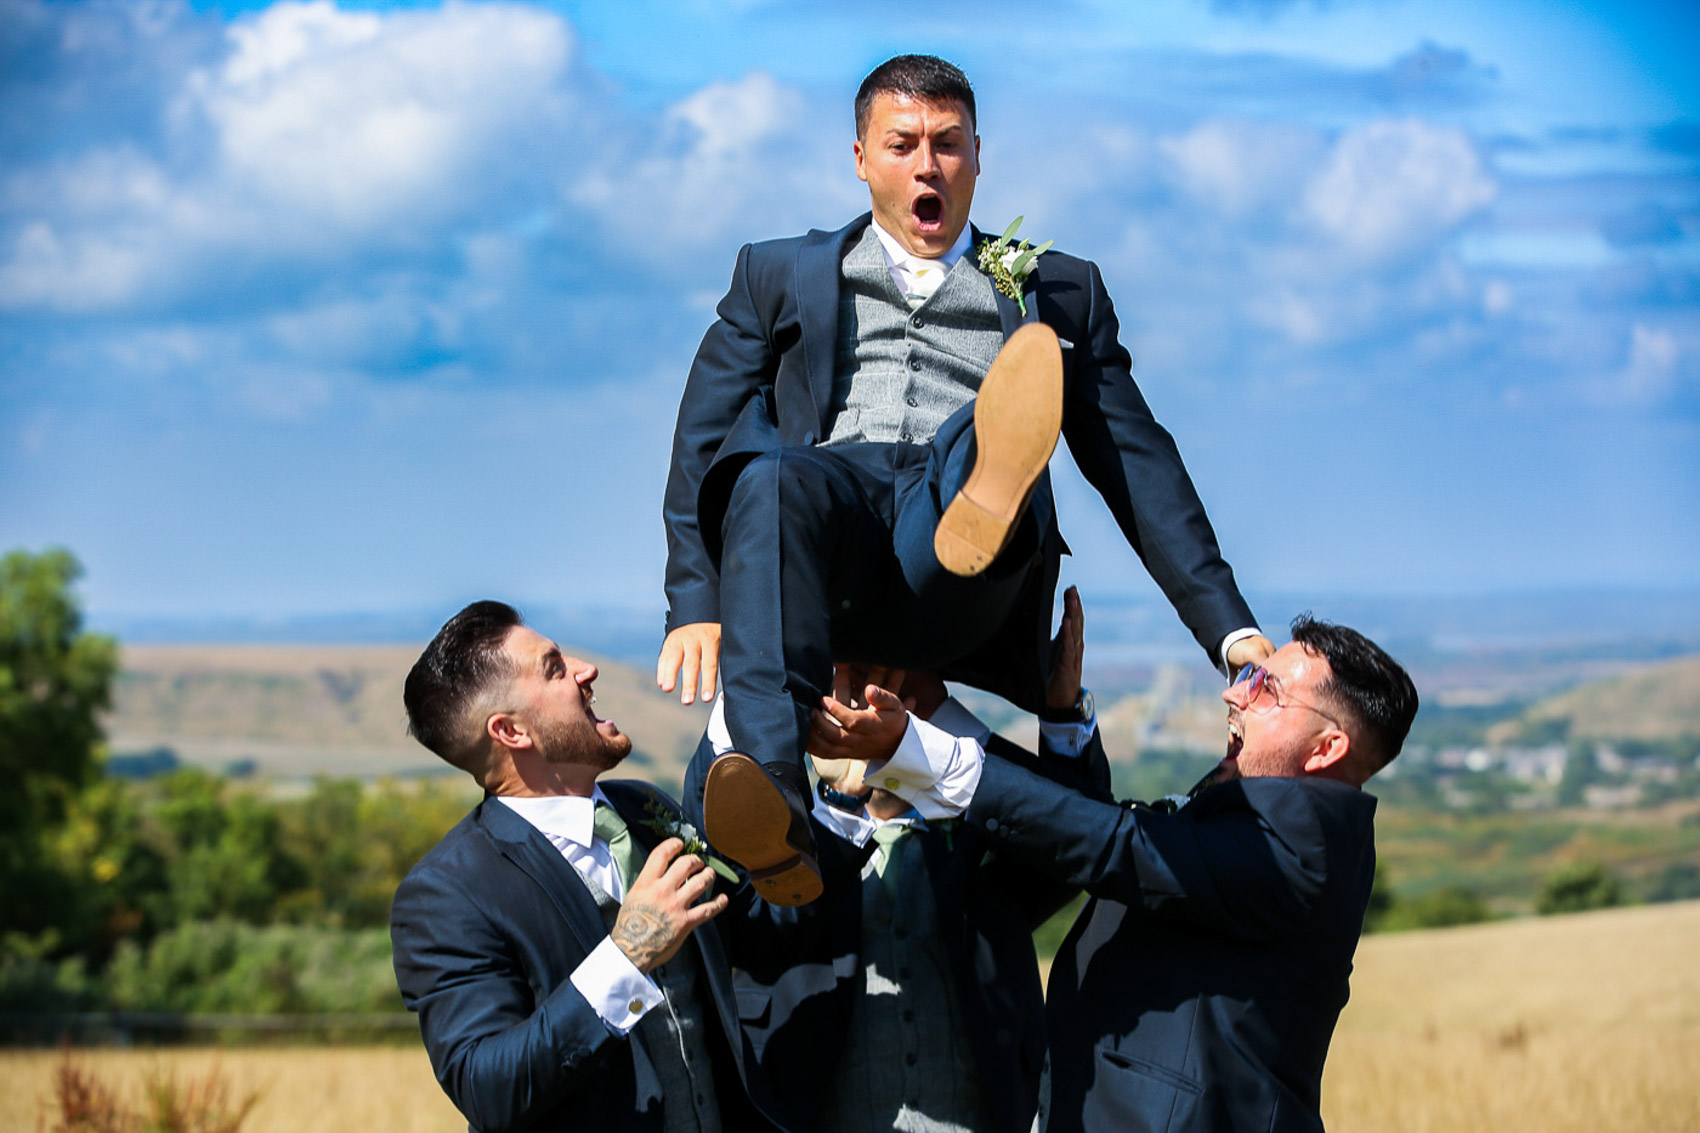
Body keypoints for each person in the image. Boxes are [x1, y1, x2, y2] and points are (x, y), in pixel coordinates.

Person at [656, 53, 1269, 902]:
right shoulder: (776, 274)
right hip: (835, 539)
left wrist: (1231, 632)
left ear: (979, 155)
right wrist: (698, 601)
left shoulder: (1058, 288)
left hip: (965, 569)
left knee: (981, 435)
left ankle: (990, 468)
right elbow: (702, 438)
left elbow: (1136, 459)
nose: (927, 164)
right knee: (771, 476)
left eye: (947, 145)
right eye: (903, 144)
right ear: (862, 158)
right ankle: (774, 800)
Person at [860, 614, 1419, 1132]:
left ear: (1326, 749)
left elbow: (1114, 843)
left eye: (1265, 689)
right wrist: (946, 713)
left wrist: (918, 750)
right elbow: (1106, 825)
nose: (1233, 693)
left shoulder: (1300, 843)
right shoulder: (1274, 820)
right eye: (1248, 677)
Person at [687, 587, 1109, 1133]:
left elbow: (1081, 843)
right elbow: (751, 926)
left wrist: (1056, 713)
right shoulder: (783, 838)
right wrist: (839, 799)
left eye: (890, 681)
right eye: (848, 682)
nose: (870, 697)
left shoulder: (983, 837)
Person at [389, 601, 793, 1133]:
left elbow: (766, 935)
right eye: (554, 667)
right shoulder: (447, 893)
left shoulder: (647, 812)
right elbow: (486, 1088)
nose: (587, 669)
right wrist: (626, 956)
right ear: (511, 732)